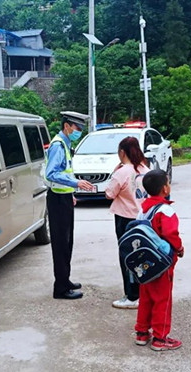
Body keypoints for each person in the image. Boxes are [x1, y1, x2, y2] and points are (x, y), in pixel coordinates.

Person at [44, 111, 95, 300]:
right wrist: (76, 183)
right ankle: (60, 288)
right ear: (67, 126)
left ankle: (65, 280)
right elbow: (51, 173)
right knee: (61, 245)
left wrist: (71, 192)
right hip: (57, 200)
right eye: (77, 127)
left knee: (67, 242)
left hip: (64, 197)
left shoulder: (65, 144)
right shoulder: (58, 145)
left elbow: (65, 171)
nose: (79, 131)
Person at [134, 170, 184, 351]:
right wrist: (179, 248)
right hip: (163, 263)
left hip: (145, 262)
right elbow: (171, 234)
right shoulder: (166, 210)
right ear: (165, 188)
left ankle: (141, 333)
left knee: (146, 297)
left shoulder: (143, 210)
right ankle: (160, 338)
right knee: (163, 299)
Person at [105, 136, 150, 309]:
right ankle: (143, 293)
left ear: (122, 152)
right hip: (144, 218)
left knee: (127, 256)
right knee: (143, 254)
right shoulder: (145, 169)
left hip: (125, 219)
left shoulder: (122, 172)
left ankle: (132, 296)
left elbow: (109, 193)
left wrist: (115, 171)